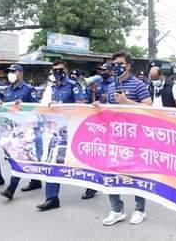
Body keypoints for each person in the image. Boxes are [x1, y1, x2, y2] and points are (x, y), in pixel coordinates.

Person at [100, 51, 152, 226]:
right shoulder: (110, 86)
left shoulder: (139, 85)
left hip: (136, 137)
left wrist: (126, 102)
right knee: (111, 172)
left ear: (128, 65)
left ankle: (139, 210)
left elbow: (148, 107)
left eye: (120, 64)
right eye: (114, 64)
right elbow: (110, 109)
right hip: (115, 136)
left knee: (137, 174)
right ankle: (116, 210)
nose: (117, 67)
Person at [46, 60, 92, 205]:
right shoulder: (53, 87)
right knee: (53, 160)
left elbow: (81, 105)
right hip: (58, 130)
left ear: (66, 70)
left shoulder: (73, 86)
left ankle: (91, 186)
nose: (57, 72)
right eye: (55, 70)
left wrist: (65, 108)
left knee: (81, 161)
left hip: (73, 129)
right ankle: (52, 198)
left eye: (60, 70)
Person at [0, 64, 40, 200]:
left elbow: (36, 108)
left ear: (21, 73)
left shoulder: (29, 89)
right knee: (26, 156)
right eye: (9, 71)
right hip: (13, 129)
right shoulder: (7, 90)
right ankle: (36, 181)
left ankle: (11, 188)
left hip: (26, 128)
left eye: (13, 71)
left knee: (20, 155)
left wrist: (23, 106)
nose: (10, 74)